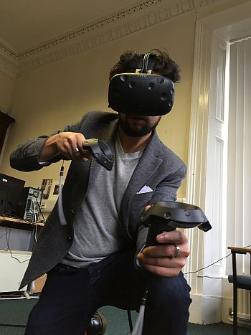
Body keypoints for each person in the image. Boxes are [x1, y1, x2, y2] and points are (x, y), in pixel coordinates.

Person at [10, 50, 191, 335]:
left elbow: (154, 214)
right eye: (132, 97)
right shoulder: (91, 124)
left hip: (122, 267)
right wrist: (53, 145)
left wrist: (158, 249)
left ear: (166, 100)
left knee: (172, 288)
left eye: (150, 98)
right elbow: (18, 159)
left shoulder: (170, 166)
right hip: (72, 266)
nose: (139, 110)